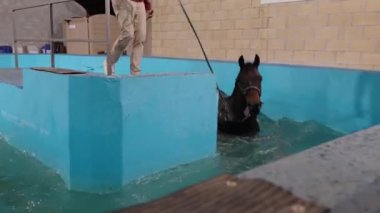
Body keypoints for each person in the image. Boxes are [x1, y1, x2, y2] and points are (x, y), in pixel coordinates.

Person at [104, 0, 153, 75]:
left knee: (140, 37)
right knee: (127, 34)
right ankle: (110, 62)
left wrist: (147, 4)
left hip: (140, 2)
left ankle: (135, 72)